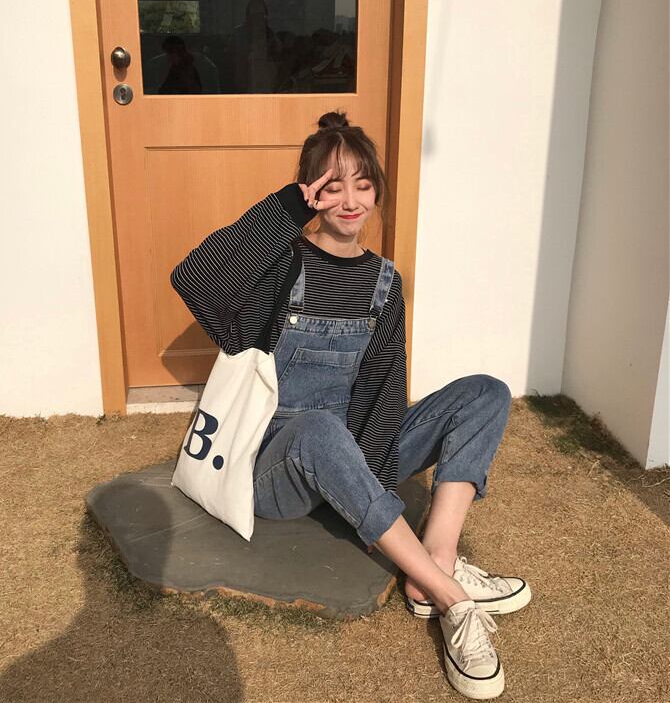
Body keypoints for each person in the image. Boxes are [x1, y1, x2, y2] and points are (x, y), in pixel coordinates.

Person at [170, 110, 531, 700]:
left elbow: (381, 397)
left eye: (362, 184)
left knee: (485, 392)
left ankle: (436, 560)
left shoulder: (384, 282)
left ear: (376, 191)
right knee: (318, 428)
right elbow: (195, 278)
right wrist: (287, 208)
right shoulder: (281, 265)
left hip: (350, 450)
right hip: (274, 467)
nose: (350, 200)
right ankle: (451, 599)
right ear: (311, 191)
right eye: (332, 185)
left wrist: (370, 487)